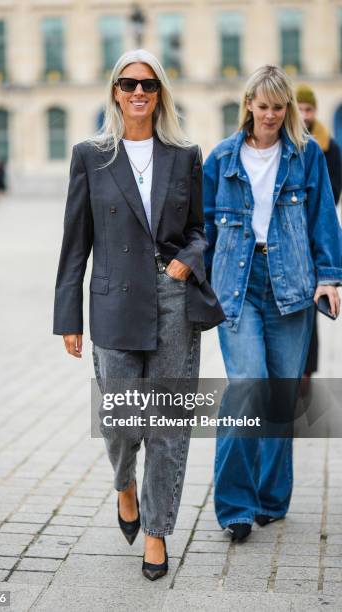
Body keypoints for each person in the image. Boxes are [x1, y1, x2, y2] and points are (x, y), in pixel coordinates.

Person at [54, 49, 224, 580]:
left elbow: (201, 229)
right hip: (114, 302)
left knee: (168, 426)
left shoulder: (184, 154)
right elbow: (75, 242)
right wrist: (68, 317)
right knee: (120, 423)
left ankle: (156, 533)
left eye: (147, 85)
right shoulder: (91, 155)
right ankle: (124, 484)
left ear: (160, 93)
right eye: (128, 84)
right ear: (114, 91)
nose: (138, 93)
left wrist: (188, 260)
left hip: (174, 300)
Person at [203, 65, 341, 542]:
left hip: (292, 288)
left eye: (278, 108)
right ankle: (236, 505)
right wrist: (193, 285)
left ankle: (270, 497)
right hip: (237, 286)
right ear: (248, 105)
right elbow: (202, 227)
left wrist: (329, 278)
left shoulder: (306, 157)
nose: (269, 116)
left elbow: (324, 217)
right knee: (248, 387)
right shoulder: (221, 159)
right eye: (262, 107)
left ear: (287, 111)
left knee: (281, 394)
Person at [296, 84, 342, 378]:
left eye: (309, 109)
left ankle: (307, 372)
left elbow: (333, 192)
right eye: (299, 109)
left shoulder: (327, 145)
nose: (304, 115)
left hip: (313, 236)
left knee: (311, 308)